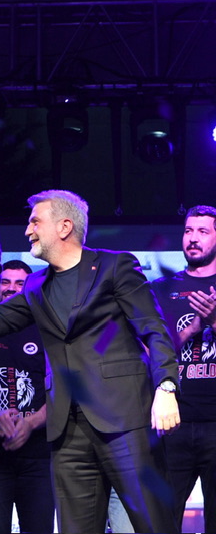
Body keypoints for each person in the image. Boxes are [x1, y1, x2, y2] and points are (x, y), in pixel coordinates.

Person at [0, 189, 181, 534]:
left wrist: (166, 386)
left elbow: (154, 329)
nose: (27, 230)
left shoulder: (115, 266)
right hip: (67, 428)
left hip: (124, 418)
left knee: (153, 524)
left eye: (35, 222)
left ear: (64, 227)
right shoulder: (36, 284)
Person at [150, 204, 216, 533]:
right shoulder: (160, 290)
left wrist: (214, 322)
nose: (193, 238)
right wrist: (191, 329)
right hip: (173, 422)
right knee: (163, 519)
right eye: (188, 231)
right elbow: (148, 352)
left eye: (202, 231)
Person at [0, 260, 54, 534]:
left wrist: (31, 422)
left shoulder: (47, 331)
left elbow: (61, 390)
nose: (11, 288)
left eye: (20, 283)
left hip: (39, 454)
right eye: (5, 282)